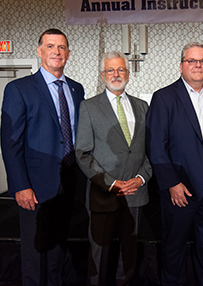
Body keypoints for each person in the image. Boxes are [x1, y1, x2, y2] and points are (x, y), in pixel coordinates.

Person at [0, 29, 85, 285]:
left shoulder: (76, 89)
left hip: (68, 183)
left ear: (68, 54)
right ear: (39, 51)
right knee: (35, 252)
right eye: (50, 46)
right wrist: (21, 185)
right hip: (35, 186)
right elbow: (10, 143)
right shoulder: (19, 89)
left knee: (58, 247)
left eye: (61, 47)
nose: (56, 52)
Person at [145, 42, 203, 286]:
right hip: (181, 186)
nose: (197, 66)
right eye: (191, 61)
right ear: (181, 66)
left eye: (202, 61)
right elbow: (156, 146)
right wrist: (172, 183)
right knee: (174, 246)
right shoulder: (164, 97)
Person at [75, 51, 151, 286]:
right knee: (100, 254)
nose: (116, 74)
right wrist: (110, 182)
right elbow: (82, 152)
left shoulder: (143, 106)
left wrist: (141, 178)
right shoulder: (88, 107)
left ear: (128, 74)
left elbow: (152, 151)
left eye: (121, 70)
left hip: (135, 193)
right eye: (111, 70)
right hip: (103, 194)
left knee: (129, 255)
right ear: (102, 74)